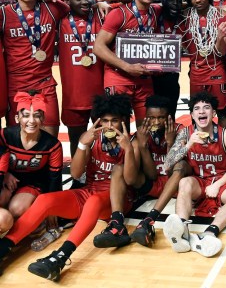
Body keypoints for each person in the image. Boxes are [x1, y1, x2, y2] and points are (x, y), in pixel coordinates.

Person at [0, 94, 133, 281]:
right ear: (98, 121)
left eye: (115, 121)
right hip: (89, 191)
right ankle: (3, 248)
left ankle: (60, 257)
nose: (109, 126)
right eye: (104, 121)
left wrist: (129, 150)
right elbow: (76, 174)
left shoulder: (131, 141)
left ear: (124, 121)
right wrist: (82, 144)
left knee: (94, 201)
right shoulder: (93, 139)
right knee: (45, 200)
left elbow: (131, 179)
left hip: (115, 200)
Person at [93, 96, 185, 248]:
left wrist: (170, 143)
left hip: (174, 183)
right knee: (118, 168)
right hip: (152, 183)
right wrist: (142, 147)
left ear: (169, 117)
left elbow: (169, 171)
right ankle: (117, 223)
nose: (156, 122)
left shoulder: (180, 131)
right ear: (145, 117)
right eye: (151, 118)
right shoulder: (141, 134)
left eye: (161, 117)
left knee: (180, 166)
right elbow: (152, 175)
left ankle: (148, 221)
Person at [162, 91, 226, 257]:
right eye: (197, 108)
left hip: (221, 181)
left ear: (213, 113)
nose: (201, 111)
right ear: (192, 114)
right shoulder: (186, 134)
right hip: (199, 181)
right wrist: (188, 145)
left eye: (206, 108)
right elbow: (167, 163)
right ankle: (183, 233)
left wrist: (217, 184)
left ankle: (209, 233)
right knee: (184, 183)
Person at [0, 0, 72, 136]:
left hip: (45, 84)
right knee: (19, 139)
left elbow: (71, 8)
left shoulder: (52, 9)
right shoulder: (3, 14)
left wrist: (101, 3)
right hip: (16, 86)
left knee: (50, 136)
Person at [94, 0, 164, 125]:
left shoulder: (156, 11)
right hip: (119, 77)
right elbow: (98, 47)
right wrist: (127, 67)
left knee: (145, 129)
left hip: (144, 79)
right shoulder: (118, 14)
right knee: (118, 128)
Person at [0, 92, 62, 234]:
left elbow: (55, 179)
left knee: (16, 209)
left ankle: (34, 217)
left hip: (33, 184)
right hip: (8, 180)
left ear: (43, 119)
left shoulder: (52, 145)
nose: (31, 121)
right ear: (17, 118)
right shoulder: (5, 135)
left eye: (37, 116)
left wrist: (51, 207)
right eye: (26, 115)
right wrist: (6, 173)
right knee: (2, 199)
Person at [58, 0, 105, 157]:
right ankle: (79, 178)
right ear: (67, 1)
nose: (85, 1)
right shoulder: (59, 20)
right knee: (76, 141)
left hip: (100, 95)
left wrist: (101, 2)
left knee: (104, 142)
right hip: (74, 96)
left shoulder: (101, 16)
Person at [179, 0, 226, 128]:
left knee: (222, 111)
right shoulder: (185, 17)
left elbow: (222, 52)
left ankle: (222, 144)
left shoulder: (221, 16)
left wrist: (220, 37)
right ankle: (199, 144)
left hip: (217, 69)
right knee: (197, 111)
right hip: (196, 72)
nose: (197, 0)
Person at [152, 0, 183, 116]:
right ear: (162, 2)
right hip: (150, 76)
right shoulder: (153, 13)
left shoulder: (182, 18)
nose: (175, 3)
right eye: (171, 0)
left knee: (170, 115)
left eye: (178, 1)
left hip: (171, 76)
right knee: (152, 116)